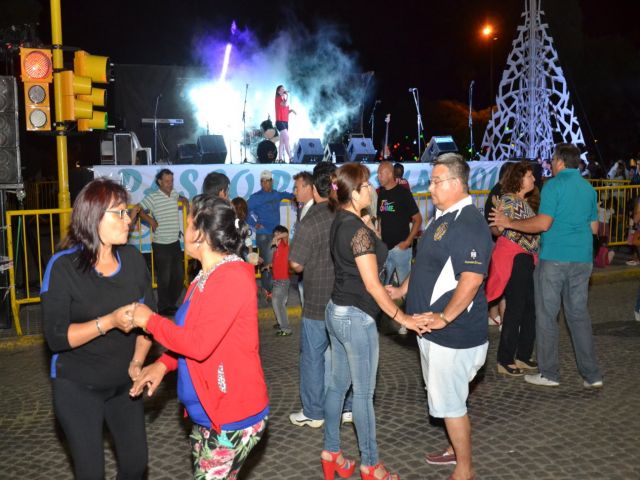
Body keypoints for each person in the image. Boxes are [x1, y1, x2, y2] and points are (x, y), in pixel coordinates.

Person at [129, 196, 269, 479]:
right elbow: (194, 337)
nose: (185, 228)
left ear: (201, 234)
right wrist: (163, 365)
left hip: (231, 413)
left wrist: (149, 320)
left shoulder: (231, 277)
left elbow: (199, 345)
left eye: (189, 221)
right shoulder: (205, 275)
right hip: (210, 411)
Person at [386, 153, 492, 480]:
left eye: (436, 181)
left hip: (454, 334)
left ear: (457, 183)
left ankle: (465, 468)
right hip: (432, 331)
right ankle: (453, 449)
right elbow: (427, 265)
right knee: (449, 398)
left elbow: (471, 280)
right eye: (431, 180)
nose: (430, 187)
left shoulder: (469, 224)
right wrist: (402, 290)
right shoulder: (442, 216)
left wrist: (445, 317)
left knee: (451, 403)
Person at [42, 178, 155, 480]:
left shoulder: (132, 260)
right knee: (91, 472)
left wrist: (138, 361)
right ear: (93, 218)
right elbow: (55, 337)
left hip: (123, 385)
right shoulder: (63, 267)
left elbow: (150, 320)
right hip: (78, 385)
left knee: (135, 464)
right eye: (117, 213)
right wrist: (109, 321)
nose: (127, 220)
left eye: (126, 211)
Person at [322, 163, 424, 480]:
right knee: (363, 395)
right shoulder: (357, 231)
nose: (372, 190)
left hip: (336, 310)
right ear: (354, 193)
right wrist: (402, 315)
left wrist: (371, 230)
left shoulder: (342, 220)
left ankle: (331, 452)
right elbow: (372, 284)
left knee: (338, 386)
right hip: (356, 316)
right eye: (366, 185)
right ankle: (371, 464)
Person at [490, 143, 603, 388]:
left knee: (546, 315)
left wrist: (509, 222)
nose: (550, 165)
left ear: (560, 162)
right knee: (579, 316)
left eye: (552, 160)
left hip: (554, 258)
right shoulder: (588, 189)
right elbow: (594, 229)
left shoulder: (554, 186)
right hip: (582, 259)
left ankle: (549, 373)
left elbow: (542, 224)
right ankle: (592, 375)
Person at [288, 163, 353, 428]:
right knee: (344, 354)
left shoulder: (311, 220)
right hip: (345, 297)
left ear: (315, 189)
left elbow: (296, 264)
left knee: (313, 357)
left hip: (316, 299)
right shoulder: (347, 214)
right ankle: (347, 408)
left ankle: (314, 412)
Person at [485, 162, 540, 376]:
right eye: (529, 176)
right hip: (517, 259)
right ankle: (505, 359)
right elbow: (497, 229)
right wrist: (499, 225)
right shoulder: (508, 200)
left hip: (526, 259)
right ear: (518, 179)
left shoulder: (523, 201)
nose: (533, 180)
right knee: (516, 308)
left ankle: (523, 355)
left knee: (529, 309)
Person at [134, 168, 189, 315]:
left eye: (171, 181)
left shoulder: (174, 194)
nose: (170, 184)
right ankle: (164, 306)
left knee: (179, 277)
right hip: (160, 244)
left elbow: (182, 198)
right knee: (164, 278)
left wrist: (184, 200)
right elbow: (137, 209)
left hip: (175, 242)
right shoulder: (153, 197)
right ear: (159, 182)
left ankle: (169, 303)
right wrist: (150, 220)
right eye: (166, 181)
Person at [376, 161, 422, 333]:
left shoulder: (403, 194)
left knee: (404, 289)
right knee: (381, 287)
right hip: (385, 249)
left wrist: (408, 241)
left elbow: (418, 219)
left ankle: (407, 322)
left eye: (381, 173)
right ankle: (380, 321)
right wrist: (379, 237)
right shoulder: (380, 194)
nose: (379, 177)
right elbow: (380, 218)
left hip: (401, 249)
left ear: (389, 174)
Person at [247, 169, 294, 298]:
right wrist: (254, 223)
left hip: (275, 235)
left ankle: (269, 289)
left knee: (274, 262)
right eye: (264, 181)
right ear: (261, 183)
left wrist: (296, 196)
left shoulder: (276, 194)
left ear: (272, 182)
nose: (266, 183)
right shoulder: (256, 197)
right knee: (267, 262)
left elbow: (288, 195)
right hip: (263, 234)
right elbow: (244, 210)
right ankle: (268, 290)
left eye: (268, 181)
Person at [271, 225, 292, 336]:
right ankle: (282, 324)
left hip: (283, 280)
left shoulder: (284, 245)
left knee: (278, 303)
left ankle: (286, 328)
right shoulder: (277, 250)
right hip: (277, 280)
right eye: (274, 235)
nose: (275, 237)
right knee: (278, 303)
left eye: (277, 234)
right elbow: (276, 264)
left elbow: (286, 234)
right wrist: (268, 265)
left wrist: (278, 237)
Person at [275, 85, 296, 162]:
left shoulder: (284, 99)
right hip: (279, 121)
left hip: (285, 121)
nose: (284, 90)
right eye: (282, 89)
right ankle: (291, 158)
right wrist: (288, 95)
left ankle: (280, 158)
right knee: (287, 138)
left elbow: (285, 111)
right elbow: (284, 104)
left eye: (284, 89)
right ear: (278, 91)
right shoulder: (278, 98)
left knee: (282, 141)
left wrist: (291, 111)